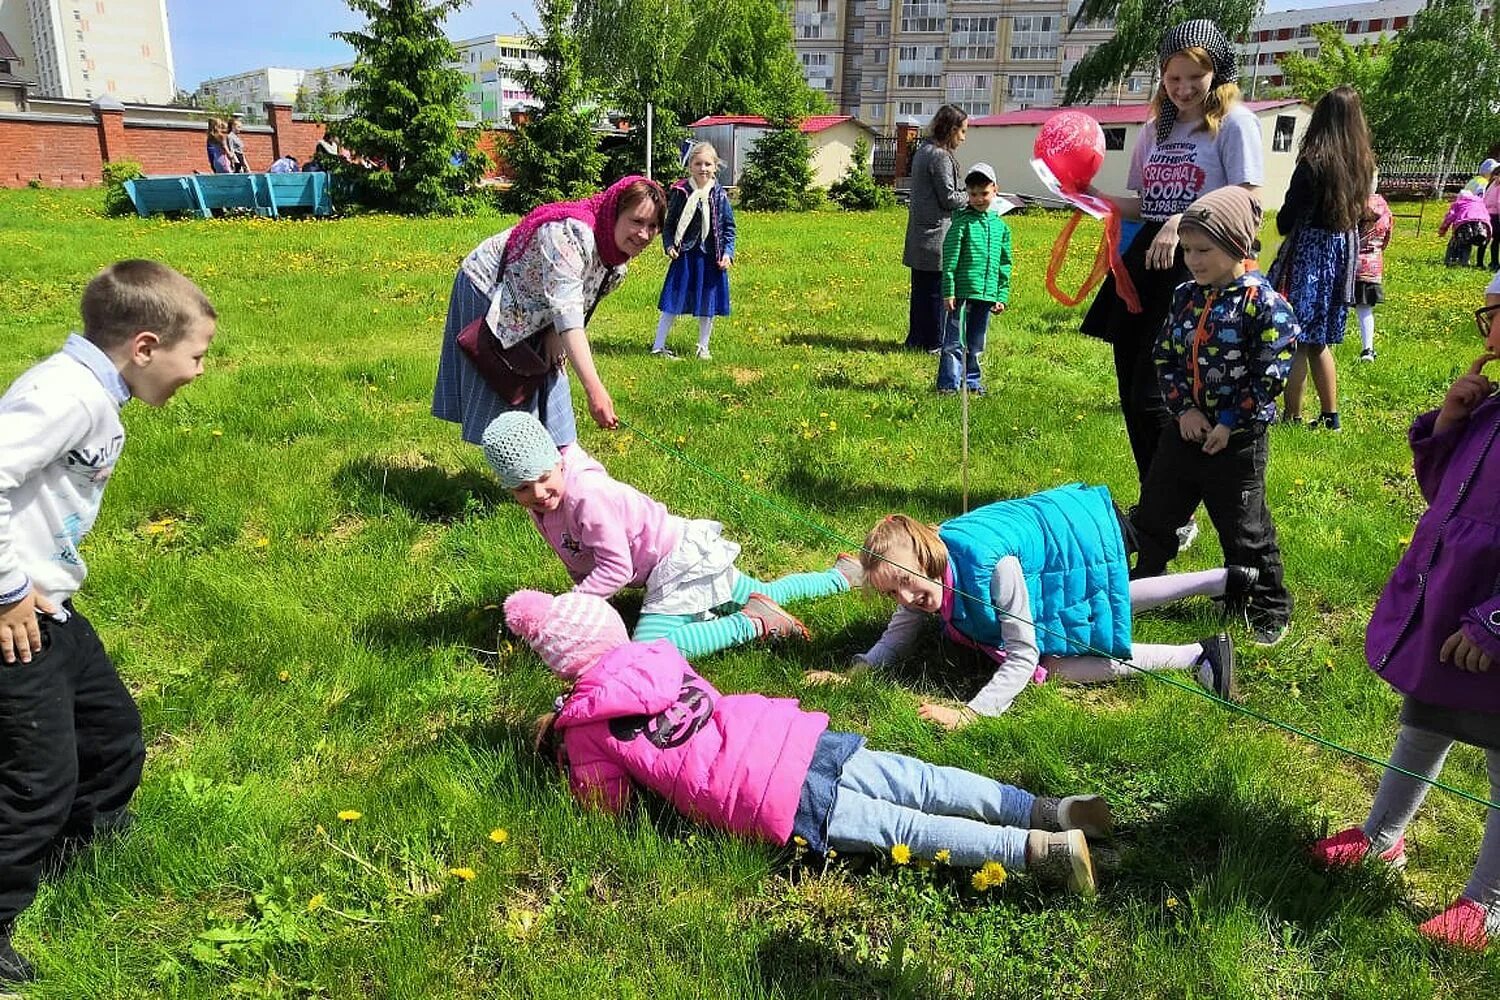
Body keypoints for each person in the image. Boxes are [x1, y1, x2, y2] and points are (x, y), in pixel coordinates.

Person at [507, 588, 1110, 893]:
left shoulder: (585, 723)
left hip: (765, 795)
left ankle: (1039, 850)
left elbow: (604, 805)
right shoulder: (658, 654)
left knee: (904, 831)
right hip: (792, 735)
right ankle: (1045, 808)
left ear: (561, 666)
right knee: (919, 779)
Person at [0, 260, 217, 987]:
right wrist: (6, 593)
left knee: (111, 732)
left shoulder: (96, 392)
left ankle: (84, 850)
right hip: (12, 619)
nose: (200, 371)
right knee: (36, 779)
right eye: (198, 356)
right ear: (147, 346)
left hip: (49, 606)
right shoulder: (66, 394)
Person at [1308, 274, 1500, 950]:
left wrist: (1493, 622)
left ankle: (1488, 902)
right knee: (1425, 721)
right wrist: (1449, 420)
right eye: (1492, 315)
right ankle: (1382, 838)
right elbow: (1439, 490)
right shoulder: (1490, 407)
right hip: (1452, 601)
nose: (1494, 329)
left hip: (1491, 618)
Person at [806, 484, 1251, 730]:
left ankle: (1198, 654)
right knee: (1096, 602)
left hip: (1078, 535)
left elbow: (1023, 657)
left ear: (926, 551)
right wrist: (857, 671)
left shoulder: (990, 568)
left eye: (904, 582)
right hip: (1051, 546)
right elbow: (898, 634)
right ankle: (1224, 580)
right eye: (890, 594)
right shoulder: (924, 573)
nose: (905, 600)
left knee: (1064, 652)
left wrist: (971, 713)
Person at [482, 411, 855, 656]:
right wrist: (591, 605)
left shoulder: (586, 498)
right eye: (522, 489)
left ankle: (754, 623)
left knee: (652, 648)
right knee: (763, 590)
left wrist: (572, 605)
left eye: (544, 478)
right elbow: (577, 556)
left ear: (557, 461)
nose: (538, 494)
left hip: (676, 562)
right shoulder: (542, 508)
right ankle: (842, 576)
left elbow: (615, 568)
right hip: (672, 559)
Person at [1082, 19, 1263, 518]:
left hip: (1198, 272)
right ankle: (1158, 502)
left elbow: (1247, 199)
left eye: (1194, 78)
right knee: (1132, 392)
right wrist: (1092, 197)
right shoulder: (1153, 129)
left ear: (1217, 74)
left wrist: (1184, 220)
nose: (1182, 89)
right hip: (1148, 265)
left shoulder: (1235, 123)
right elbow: (1146, 203)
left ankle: (1171, 509)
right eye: (1172, 77)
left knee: (1160, 393)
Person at [1132, 186, 1297, 646]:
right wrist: (1182, 409)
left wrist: (1229, 423)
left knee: (1245, 529)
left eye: (1204, 250)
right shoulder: (1186, 295)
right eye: (1187, 249)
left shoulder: (1265, 306)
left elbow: (1270, 374)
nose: (1192, 259)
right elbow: (1164, 354)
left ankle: (1265, 605)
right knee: (1155, 513)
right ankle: (1142, 586)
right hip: (1185, 432)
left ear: (1239, 246)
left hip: (1236, 442)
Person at [432, 175, 667, 449]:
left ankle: (554, 467)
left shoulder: (616, 266)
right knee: (504, 388)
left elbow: (574, 308)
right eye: (637, 221)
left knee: (552, 373)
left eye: (653, 226)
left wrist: (554, 334)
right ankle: (521, 476)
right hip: (490, 288)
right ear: (615, 212)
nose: (644, 234)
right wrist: (595, 390)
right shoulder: (568, 234)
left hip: (541, 305)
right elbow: (567, 311)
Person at [1268, 86, 1375, 431]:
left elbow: (1287, 217)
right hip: (1342, 253)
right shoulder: (1363, 165)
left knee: (1297, 338)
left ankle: (1292, 416)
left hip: (1309, 255)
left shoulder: (1313, 163)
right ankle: (1331, 417)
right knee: (1320, 341)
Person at [651, 142, 736, 361]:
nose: (703, 168)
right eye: (698, 164)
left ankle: (703, 347)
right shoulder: (681, 191)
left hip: (711, 256)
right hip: (685, 255)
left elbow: (728, 227)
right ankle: (658, 345)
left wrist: (727, 252)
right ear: (690, 166)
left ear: (715, 167)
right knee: (674, 298)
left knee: (708, 301)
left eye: (708, 164)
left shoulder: (719, 195)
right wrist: (669, 245)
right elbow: (669, 224)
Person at [936, 163, 1012, 395]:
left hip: (986, 296)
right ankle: (949, 384)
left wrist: (1001, 295)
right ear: (967, 194)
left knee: (976, 343)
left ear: (995, 190)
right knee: (954, 342)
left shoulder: (1001, 227)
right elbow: (950, 260)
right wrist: (949, 291)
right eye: (973, 194)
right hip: (961, 294)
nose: (979, 199)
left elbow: (1004, 264)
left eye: (984, 193)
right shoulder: (962, 223)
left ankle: (971, 382)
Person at [904, 104, 969, 352]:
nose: (963, 138)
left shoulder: (924, 149)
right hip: (935, 238)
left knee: (921, 293)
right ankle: (932, 342)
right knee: (934, 294)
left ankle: (916, 340)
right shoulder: (940, 156)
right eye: (962, 131)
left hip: (920, 235)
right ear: (951, 130)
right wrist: (972, 198)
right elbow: (949, 199)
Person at [1353, 185, 1393, 362]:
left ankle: (1327, 345)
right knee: (1365, 309)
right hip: (1372, 266)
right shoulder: (1385, 208)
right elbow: (1387, 238)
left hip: (1351, 264)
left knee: (1338, 305)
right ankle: (1367, 349)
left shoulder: (1354, 204)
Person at [1439, 189, 1492, 269]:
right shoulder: (1480, 202)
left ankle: (1450, 261)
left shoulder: (1458, 203)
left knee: (1459, 242)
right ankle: (1465, 263)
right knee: (1469, 242)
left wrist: (1443, 230)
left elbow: (1450, 217)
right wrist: (1488, 232)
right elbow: (1486, 215)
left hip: (1464, 224)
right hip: (1482, 225)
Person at [1485, 162, 1500, 271]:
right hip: (1496, 215)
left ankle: (1492, 262)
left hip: (1488, 214)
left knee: (1492, 240)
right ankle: (1494, 263)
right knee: (1497, 240)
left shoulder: (1491, 184)